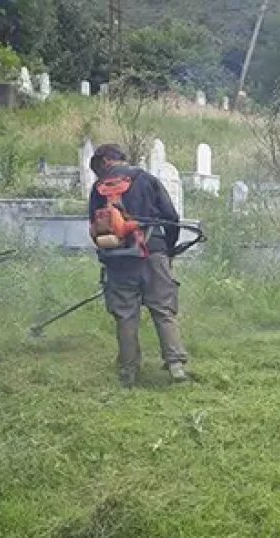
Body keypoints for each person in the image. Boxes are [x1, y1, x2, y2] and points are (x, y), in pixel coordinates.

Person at [88, 144, 189, 388]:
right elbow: (171, 217)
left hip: (117, 258)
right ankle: (176, 367)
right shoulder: (146, 179)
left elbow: (94, 224)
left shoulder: (98, 188)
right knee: (163, 309)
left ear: (105, 161)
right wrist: (168, 247)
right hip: (153, 251)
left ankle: (128, 373)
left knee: (125, 316)